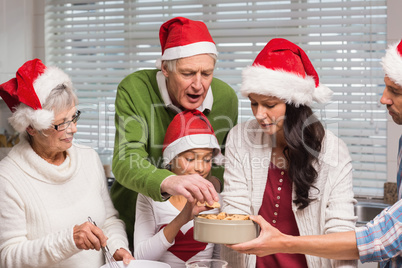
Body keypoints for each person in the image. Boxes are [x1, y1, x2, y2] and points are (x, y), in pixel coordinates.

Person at [227, 39, 402, 268]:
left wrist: (284, 243)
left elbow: (350, 234)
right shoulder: (240, 138)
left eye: (269, 105)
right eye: (253, 103)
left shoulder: (333, 151)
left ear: (294, 105)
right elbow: (233, 214)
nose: (259, 114)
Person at [110, 16, 238, 248]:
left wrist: (212, 189)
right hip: (134, 231)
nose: (198, 85)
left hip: (198, 231)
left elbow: (224, 162)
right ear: (165, 68)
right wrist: (171, 181)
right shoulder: (135, 89)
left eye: (206, 74)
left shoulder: (226, 98)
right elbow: (125, 159)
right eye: (188, 73)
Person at [0, 59, 134, 268]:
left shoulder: (89, 158)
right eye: (62, 123)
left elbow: (109, 220)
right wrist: (68, 241)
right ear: (32, 128)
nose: (73, 129)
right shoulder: (8, 178)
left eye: (74, 117)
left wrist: (117, 247)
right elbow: (9, 257)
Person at [134, 110, 222, 266]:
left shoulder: (216, 200)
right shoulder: (149, 196)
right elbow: (141, 258)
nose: (201, 168)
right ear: (171, 160)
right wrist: (182, 219)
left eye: (207, 159)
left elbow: (218, 258)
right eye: (190, 159)